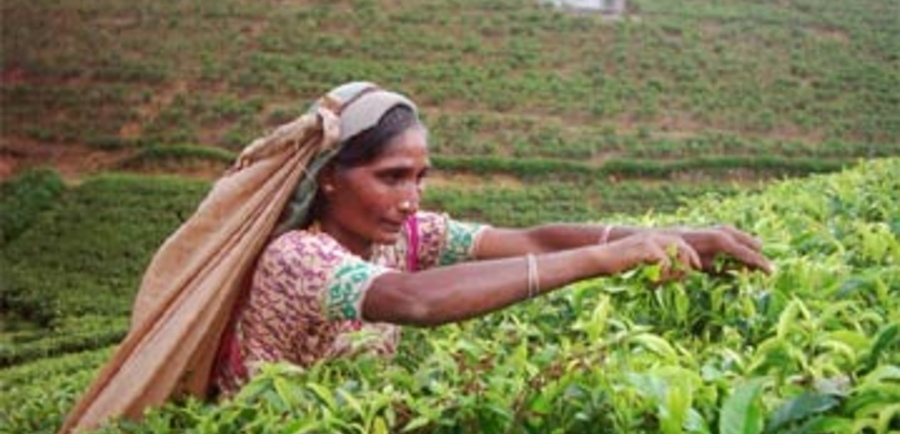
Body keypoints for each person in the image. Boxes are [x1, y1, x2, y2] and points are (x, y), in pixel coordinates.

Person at [209, 81, 772, 396]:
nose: (410, 199)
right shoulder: (296, 256)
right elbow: (415, 301)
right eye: (391, 177)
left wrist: (671, 236)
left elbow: (531, 240)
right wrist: (603, 258)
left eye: (419, 178)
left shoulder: (404, 236)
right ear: (331, 176)